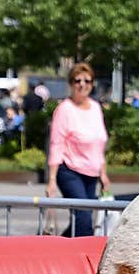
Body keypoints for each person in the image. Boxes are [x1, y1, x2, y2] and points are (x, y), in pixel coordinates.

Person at [45, 63, 111, 237]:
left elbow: (99, 143)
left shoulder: (96, 108)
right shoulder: (64, 109)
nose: (82, 84)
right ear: (71, 83)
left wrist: (103, 173)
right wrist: (51, 180)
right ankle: (78, 257)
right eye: (77, 80)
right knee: (83, 219)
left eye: (87, 81)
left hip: (91, 172)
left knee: (82, 220)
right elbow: (56, 144)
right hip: (70, 170)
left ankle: (61, 249)